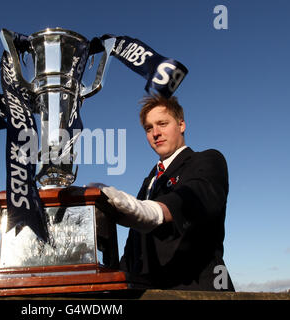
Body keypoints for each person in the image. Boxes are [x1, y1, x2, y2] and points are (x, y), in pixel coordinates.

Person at [99, 94, 234, 291]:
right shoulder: (149, 182)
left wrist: (154, 212)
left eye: (162, 123)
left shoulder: (207, 160)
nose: (156, 133)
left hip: (200, 289)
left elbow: (197, 195)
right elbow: (135, 246)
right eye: (149, 128)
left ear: (181, 125)